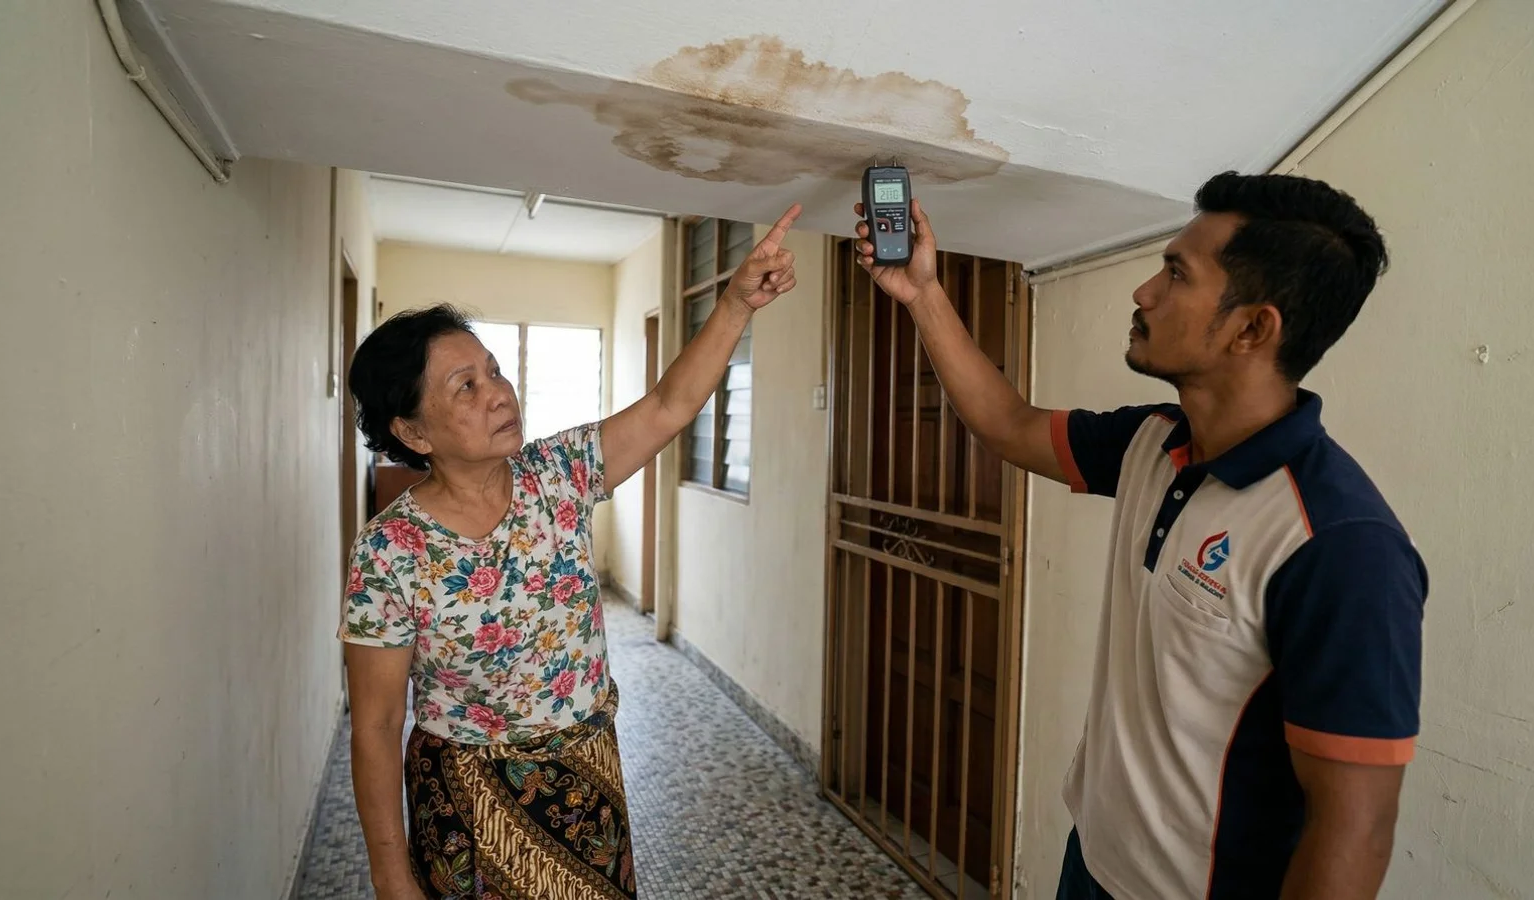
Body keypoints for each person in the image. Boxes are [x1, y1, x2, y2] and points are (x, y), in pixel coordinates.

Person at [854, 173, 1425, 900]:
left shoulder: (1339, 546)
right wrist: (922, 293)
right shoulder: (1154, 443)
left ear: (1254, 328)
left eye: (1176, 275)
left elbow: (1356, 829)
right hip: (1092, 860)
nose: (1144, 293)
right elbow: (1009, 425)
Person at [339, 205, 801, 899]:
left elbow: (670, 406)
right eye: (466, 386)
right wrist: (389, 874)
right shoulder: (390, 550)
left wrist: (736, 303)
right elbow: (374, 725)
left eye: (493, 371)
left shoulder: (560, 473)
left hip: (586, 787)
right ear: (413, 430)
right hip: (467, 808)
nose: (499, 393)